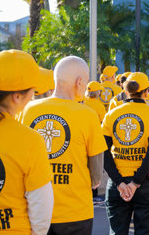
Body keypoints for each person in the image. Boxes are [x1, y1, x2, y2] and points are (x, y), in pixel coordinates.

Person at [20, 56, 107, 235]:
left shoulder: (27, 110)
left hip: (33, 211)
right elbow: (96, 175)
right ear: (79, 82)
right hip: (74, 213)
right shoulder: (88, 115)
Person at [0, 50, 54, 234]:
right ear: (16, 96)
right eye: (33, 91)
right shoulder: (29, 140)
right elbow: (41, 207)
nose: (33, 96)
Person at [102, 72, 149, 234]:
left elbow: (104, 154)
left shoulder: (111, 115)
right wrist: (135, 183)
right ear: (146, 92)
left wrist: (120, 183)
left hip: (117, 184)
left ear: (126, 91)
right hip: (146, 183)